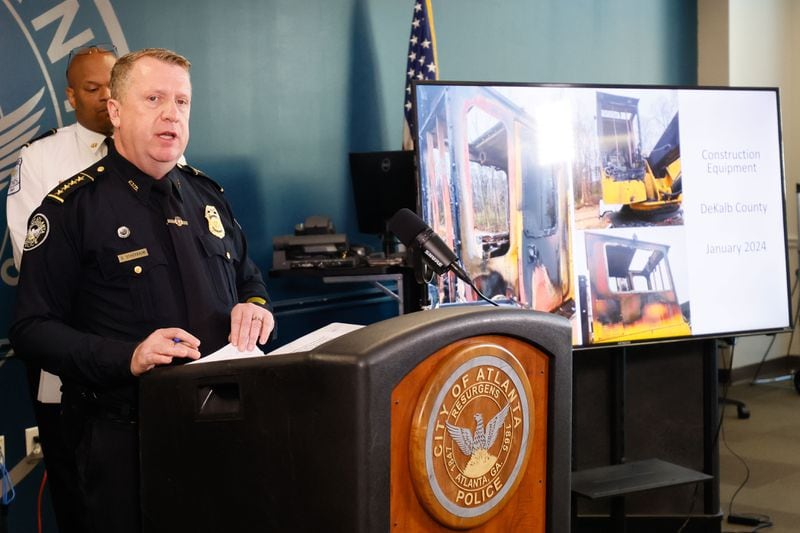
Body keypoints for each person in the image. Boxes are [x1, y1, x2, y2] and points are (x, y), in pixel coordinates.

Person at [9, 48, 275, 533]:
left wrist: (255, 308)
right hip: (123, 440)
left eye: (181, 101)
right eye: (153, 98)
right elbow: (30, 329)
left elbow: (248, 278)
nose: (171, 113)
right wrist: (127, 355)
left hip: (222, 430)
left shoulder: (207, 195)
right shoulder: (72, 208)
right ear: (115, 111)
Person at [5, 43, 117, 533]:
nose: (106, 97)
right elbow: (37, 260)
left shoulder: (159, 152)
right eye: (92, 89)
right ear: (71, 96)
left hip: (142, 348)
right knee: (77, 486)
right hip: (69, 346)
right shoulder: (41, 159)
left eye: (114, 85)